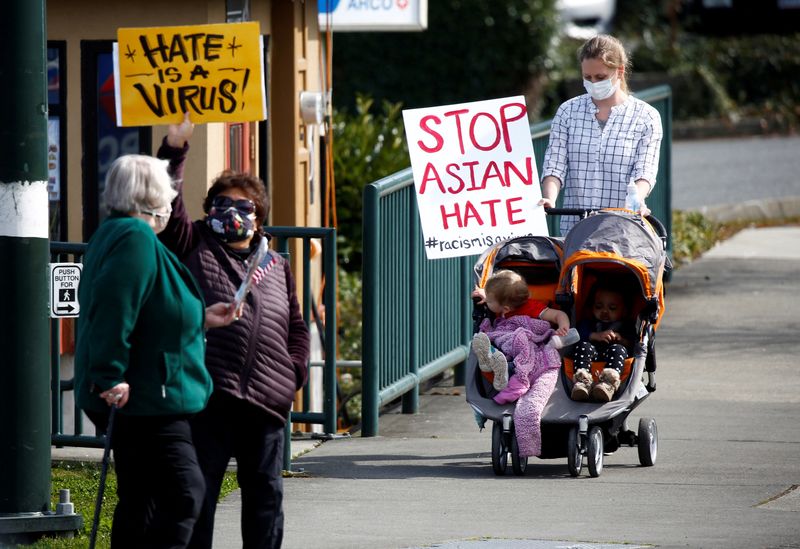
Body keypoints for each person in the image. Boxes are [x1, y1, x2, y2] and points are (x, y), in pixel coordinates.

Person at [157, 114, 311, 549]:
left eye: (243, 206)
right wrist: (175, 148)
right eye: (222, 204)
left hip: (266, 401)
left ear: (258, 217)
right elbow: (168, 203)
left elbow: (296, 327)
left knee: (265, 499)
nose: (232, 213)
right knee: (198, 496)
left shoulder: (277, 265)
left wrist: (294, 370)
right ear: (209, 210)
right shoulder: (192, 243)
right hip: (209, 397)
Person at [74, 154, 238, 548]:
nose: (171, 198)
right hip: (150, 396)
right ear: (151, 196)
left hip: (145, 392)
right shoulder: (135, 238)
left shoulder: (119, 233)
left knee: (142, 498)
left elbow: (148, 307)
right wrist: (111, 373)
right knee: (185, 492)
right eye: (167, 190)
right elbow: (116, 306)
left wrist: (201, 317)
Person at [539, 34, 664, 236]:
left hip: (622, 230)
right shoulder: (567, 112)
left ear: (619, 71)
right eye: (587, 78)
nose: (593, 83)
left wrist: (637, 200)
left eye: (600, 77)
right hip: (575, 230)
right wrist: (550, 199)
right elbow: (554, 165)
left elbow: (645, 171)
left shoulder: (646, 116)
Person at [470, 269, 570, 457]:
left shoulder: (533, 308)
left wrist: (563, 325)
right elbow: (494, 299)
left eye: (489, 301)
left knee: (519, 346)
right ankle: (499, 366)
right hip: (507, 341)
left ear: (505, 309)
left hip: (528, 341)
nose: (487, 304)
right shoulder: (502, 305)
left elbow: (557, 315)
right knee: (501, 342)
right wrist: (483, 294)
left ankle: (504, 370)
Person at [570, 279, 637, 402]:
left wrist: (620, 339)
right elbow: (575, 336)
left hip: (614, 361)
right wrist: (594, 335)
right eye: (599, 307)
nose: (605, 312)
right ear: (592, 307)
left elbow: (633, 344)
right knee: (583, 346)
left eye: (612, 308)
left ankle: (608, 384)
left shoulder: (626, 326)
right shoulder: (588, 323)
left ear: (624, 310)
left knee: (618, 349)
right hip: (591, 357)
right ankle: (582, 382)